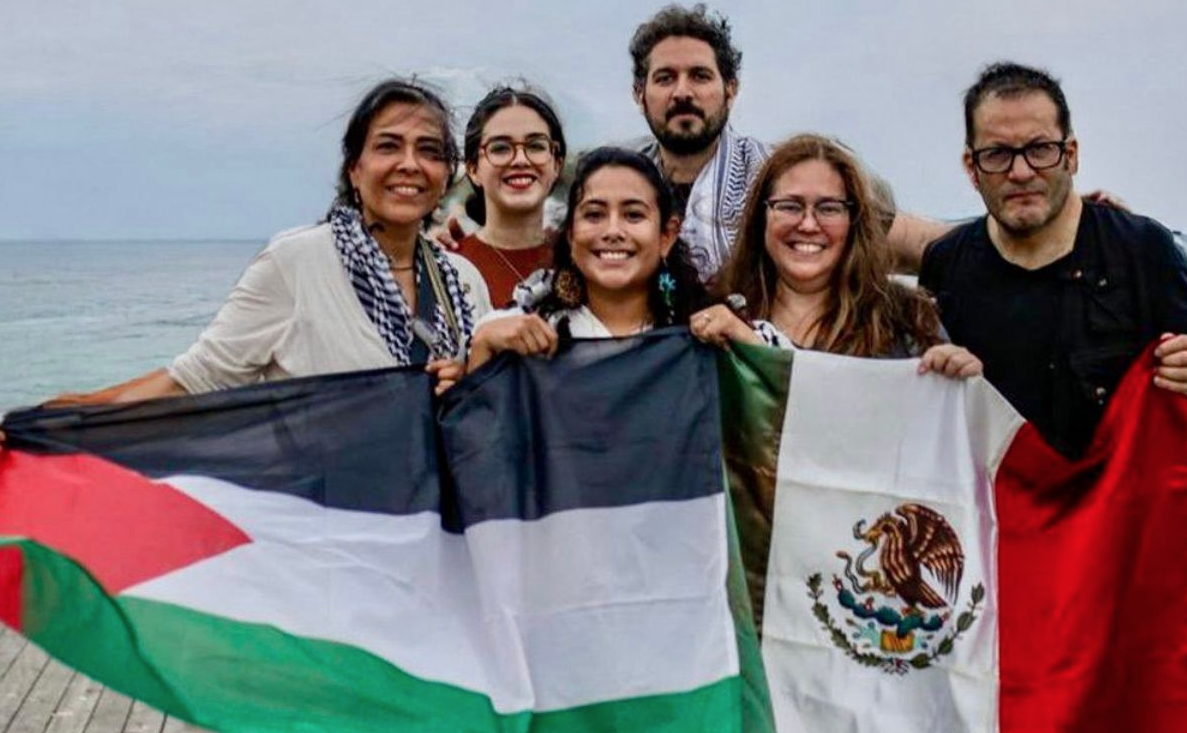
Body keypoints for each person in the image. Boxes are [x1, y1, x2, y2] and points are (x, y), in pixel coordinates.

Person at [45, 79, 491, 404]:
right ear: (355, 169)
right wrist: (72, 415)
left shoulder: (462, 281)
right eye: (389, 146)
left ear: (445, 174)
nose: (410, 164)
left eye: (430, 151)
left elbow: (491, 404)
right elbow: (199, 379)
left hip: (436, 521)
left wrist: (463, 382)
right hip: (329, 518)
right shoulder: (298, 262)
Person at [919, 62, 1187, 457]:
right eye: (997, 154)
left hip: (1121, 513)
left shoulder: (1143, 251)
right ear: (971, 168)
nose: (1022, 171)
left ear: (1071, 155)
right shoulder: (946, 268)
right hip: (996, 513)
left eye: (1040, 149)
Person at [689, 133, 981, 379]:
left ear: (854, 221)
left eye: (828, 208)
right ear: (760, 216)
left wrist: (960, 382)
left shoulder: (909, 321)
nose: (807, 224)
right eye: (789, 206)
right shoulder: (716, 319)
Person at [467, 147, 708, 371]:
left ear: (667, 235)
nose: (613, 231)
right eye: (594, 215)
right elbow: (477, 413)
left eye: (633, 215)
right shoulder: (516, 333)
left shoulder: (703, 335)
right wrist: (483, 349)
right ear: (570, 233)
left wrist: (743, 340)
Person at [628, 3, 767, 278]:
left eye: (700, 76)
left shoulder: (771, 178)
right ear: (639, 94)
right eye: (665, 78)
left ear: (730, 89)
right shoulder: (617, 179)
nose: (682, 93)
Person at [456, 85, 567, 307]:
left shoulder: (582, 259)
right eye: (500, 148)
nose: (520, 160)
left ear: (557, 163)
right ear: (472, 168)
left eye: (535, 146)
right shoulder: (447, 265)